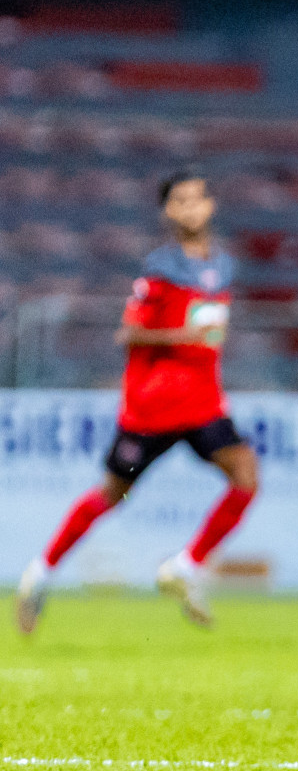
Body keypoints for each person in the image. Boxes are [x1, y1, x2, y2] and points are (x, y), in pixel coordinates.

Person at [14, 170, 258, 632]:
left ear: (211, 205)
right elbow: (128, 333)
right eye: (180, 201)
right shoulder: (159, 271)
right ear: (168, 212)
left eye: (198, 198)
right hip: (154, 409)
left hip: (203, 404)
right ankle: (39, 573)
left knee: (245, 475)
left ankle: (185, 567)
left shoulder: (221, 266)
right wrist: (181, 335)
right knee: (111, 494)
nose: (191, 207)